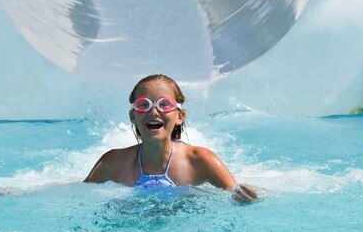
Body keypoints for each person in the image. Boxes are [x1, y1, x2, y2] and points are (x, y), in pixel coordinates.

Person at [84, 74, 257, 203]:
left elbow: (237, 194)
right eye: (144, 105)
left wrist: (250, 198)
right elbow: (79, 197)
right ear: (133, 116)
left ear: (180, 116)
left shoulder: (199, 161)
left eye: (164, 104)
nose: (153, 112)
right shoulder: (113, 162)